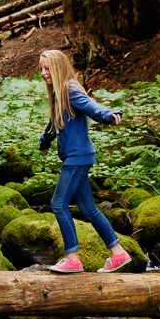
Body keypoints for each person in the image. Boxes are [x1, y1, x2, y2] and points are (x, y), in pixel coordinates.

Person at [37, 49, 131, 273]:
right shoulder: (58, 94)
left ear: (58, 68)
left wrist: (107, 115)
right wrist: (45, 141)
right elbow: (54, 125)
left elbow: (91, 107)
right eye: (41, 68)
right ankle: (119, 254)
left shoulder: (69, 89)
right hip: (76, 157)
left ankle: (73, 259)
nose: (43, 73)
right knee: (88, 208)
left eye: (47, 68)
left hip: (77, 158)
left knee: (58, 204)